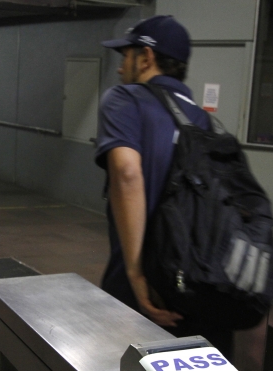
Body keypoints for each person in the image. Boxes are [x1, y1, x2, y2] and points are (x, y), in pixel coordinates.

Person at [95, 16, 232, 353]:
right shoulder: (205, 122)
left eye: (124, 56)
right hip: (194, 283)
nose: (119, 68)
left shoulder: (125, 100)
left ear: (146, 57)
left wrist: (136, 273)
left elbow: (127, 173)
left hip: (143, 284)